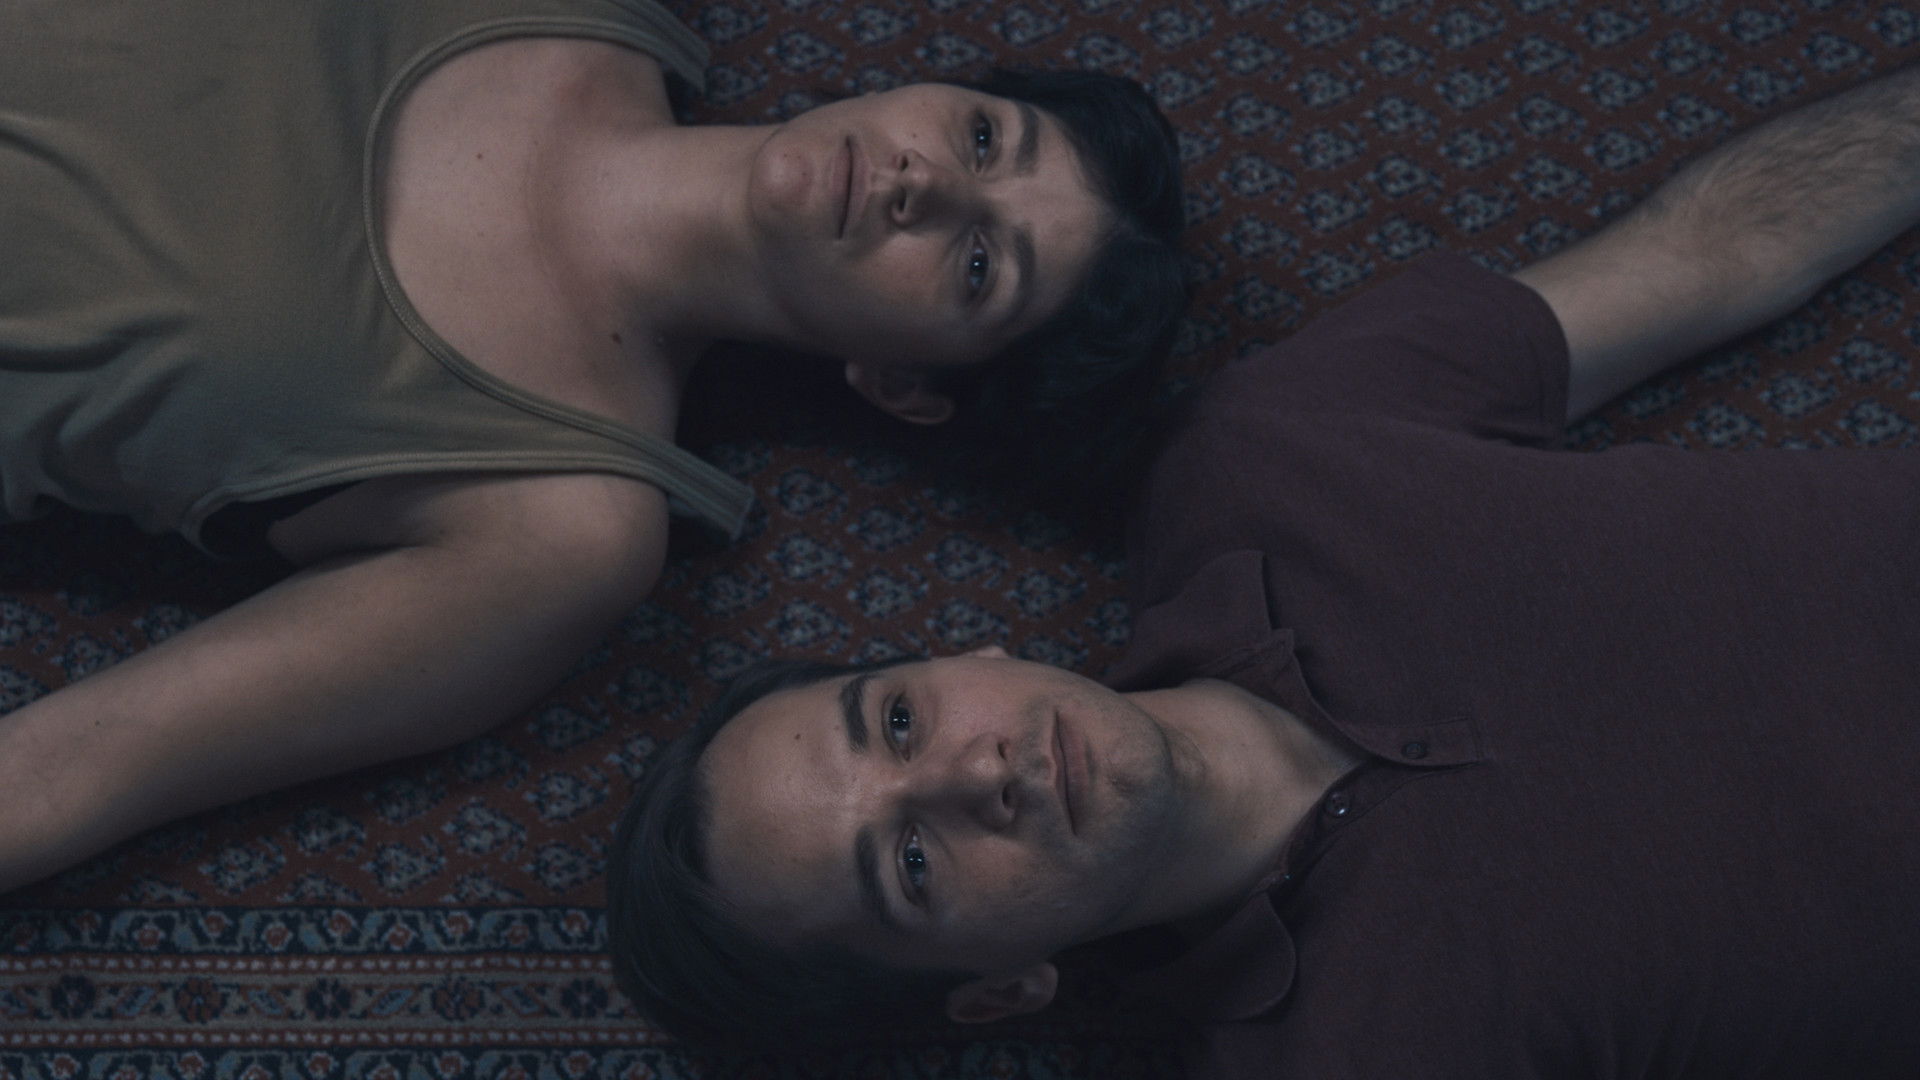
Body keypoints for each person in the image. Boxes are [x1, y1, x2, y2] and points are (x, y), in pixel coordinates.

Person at [606, 60, 1920, 1074]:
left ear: (968, 655)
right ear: (1000, 993)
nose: (973, 774)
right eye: (909, 866)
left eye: (898, 721)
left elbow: (1705, 254)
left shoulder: (1263, 456)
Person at [0, 0, 1187, 893]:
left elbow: (77, 766)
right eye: (982, 137)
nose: (925, 184)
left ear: (905, 386)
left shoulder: (559, 526)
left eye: (978, 265)